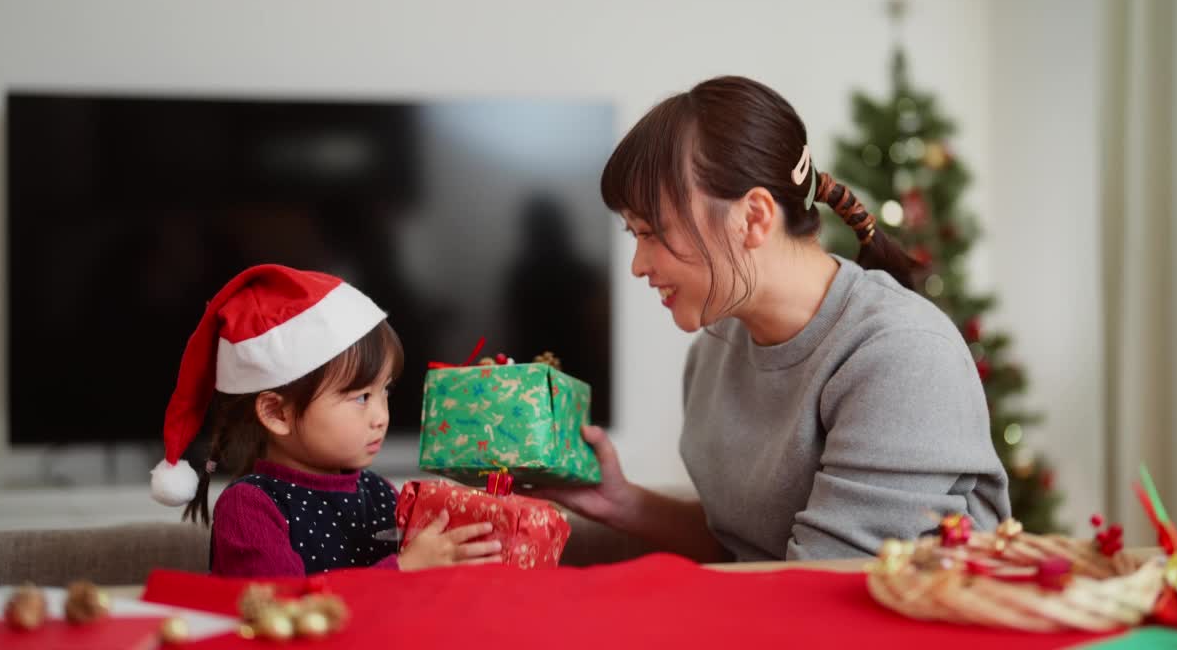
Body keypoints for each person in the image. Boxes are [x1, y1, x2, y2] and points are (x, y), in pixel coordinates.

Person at [535, 76, 1010, 561]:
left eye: (654, 231)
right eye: (634, 234)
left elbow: (817, 594)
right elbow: (747, 551)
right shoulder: (715, 351)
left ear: (755, 217)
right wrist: (622, 504)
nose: (638, 265)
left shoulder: (903, 355)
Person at [149, 264, 502, 575]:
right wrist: (405, 569)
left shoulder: (380, 494)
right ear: (277, 413)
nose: (381, 417)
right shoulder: (249, 508)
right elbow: (285, 614)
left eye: (386, 392)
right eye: (361, 397)